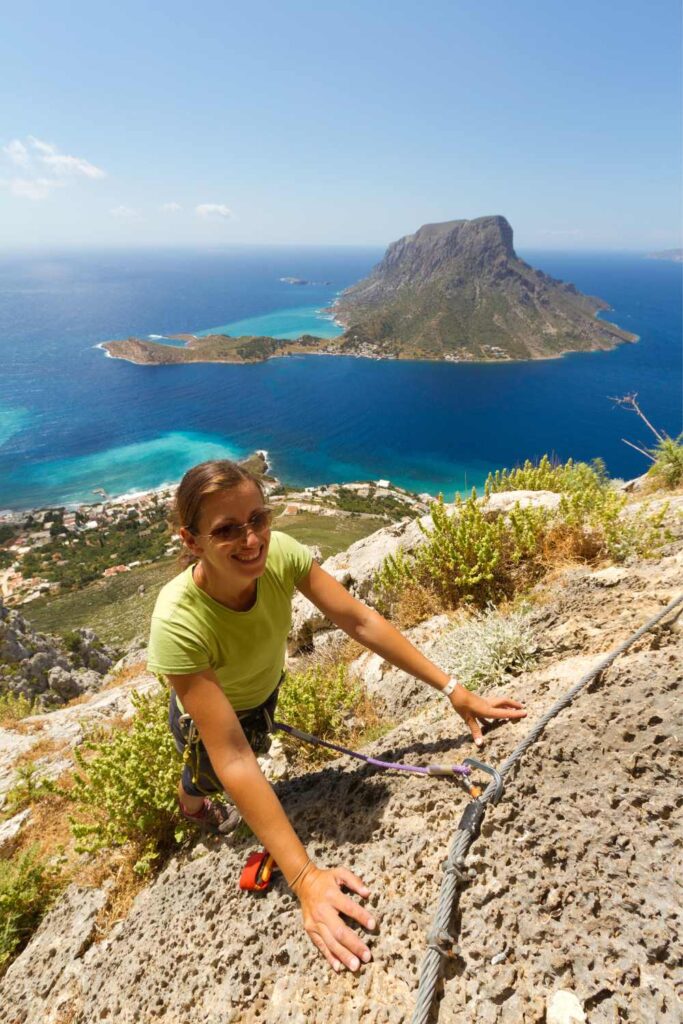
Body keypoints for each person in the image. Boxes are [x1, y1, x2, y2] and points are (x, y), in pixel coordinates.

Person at [147, 459, 526, 975]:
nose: (252, 539)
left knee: (249, 751)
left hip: (260, 696)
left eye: (258, 518)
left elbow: (359, 619)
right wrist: (304, 878)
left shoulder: (280, 555)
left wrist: (452, 688)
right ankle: (191, 803)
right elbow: (231, 753)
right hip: (208, 719)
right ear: (192, 541)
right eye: (227, 530)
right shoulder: (177, 621)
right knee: (208, 774)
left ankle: (196, 792)